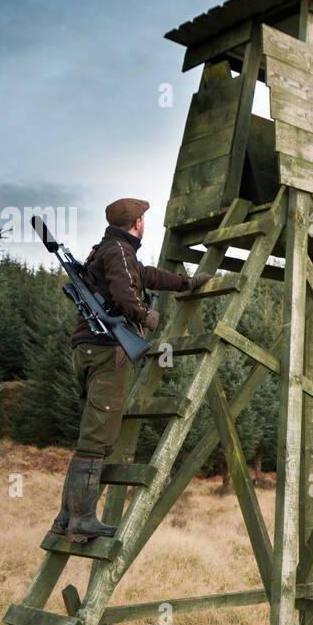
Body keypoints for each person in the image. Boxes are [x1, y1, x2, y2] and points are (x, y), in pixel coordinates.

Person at [49, 197, 211, 542]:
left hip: (88, 349)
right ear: (136, 222)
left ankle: (66, 517)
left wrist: (186, 283)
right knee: (96, 439)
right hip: (109, 352)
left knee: (92, 433)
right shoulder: (120, 252)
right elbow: (126, 295)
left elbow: (145, 275)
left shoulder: (108, 250)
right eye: (143, 218)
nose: (144, 222)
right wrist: (145, 316)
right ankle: (81, 521)